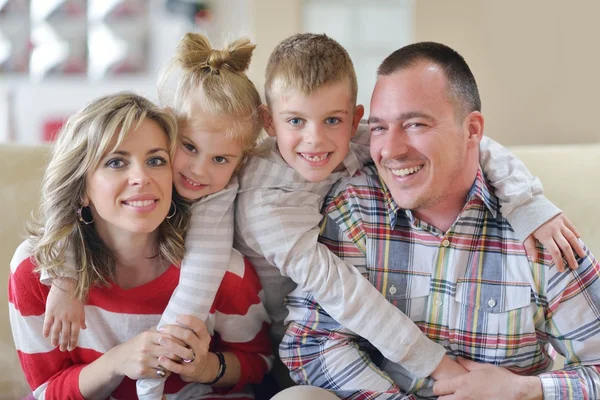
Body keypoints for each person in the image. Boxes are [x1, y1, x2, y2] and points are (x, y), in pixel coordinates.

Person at [234, 33, 583, 390]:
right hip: (263, 345)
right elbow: (324, 327)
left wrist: (528, 390)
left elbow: (480, 149)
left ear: (354, 123)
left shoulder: (540, 234)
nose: (391, 148)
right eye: (382, 126)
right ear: (270, 122)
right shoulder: (345, 202)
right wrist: (435, 370)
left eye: (416, 124)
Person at [37, 34, 268, 400]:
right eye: (188, 147)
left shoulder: (223, 258)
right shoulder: (38, 273)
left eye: (156, 160)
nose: (198, 169)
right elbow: (43, 390)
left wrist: (206, 367)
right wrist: (66, 281)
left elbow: (263, 366)